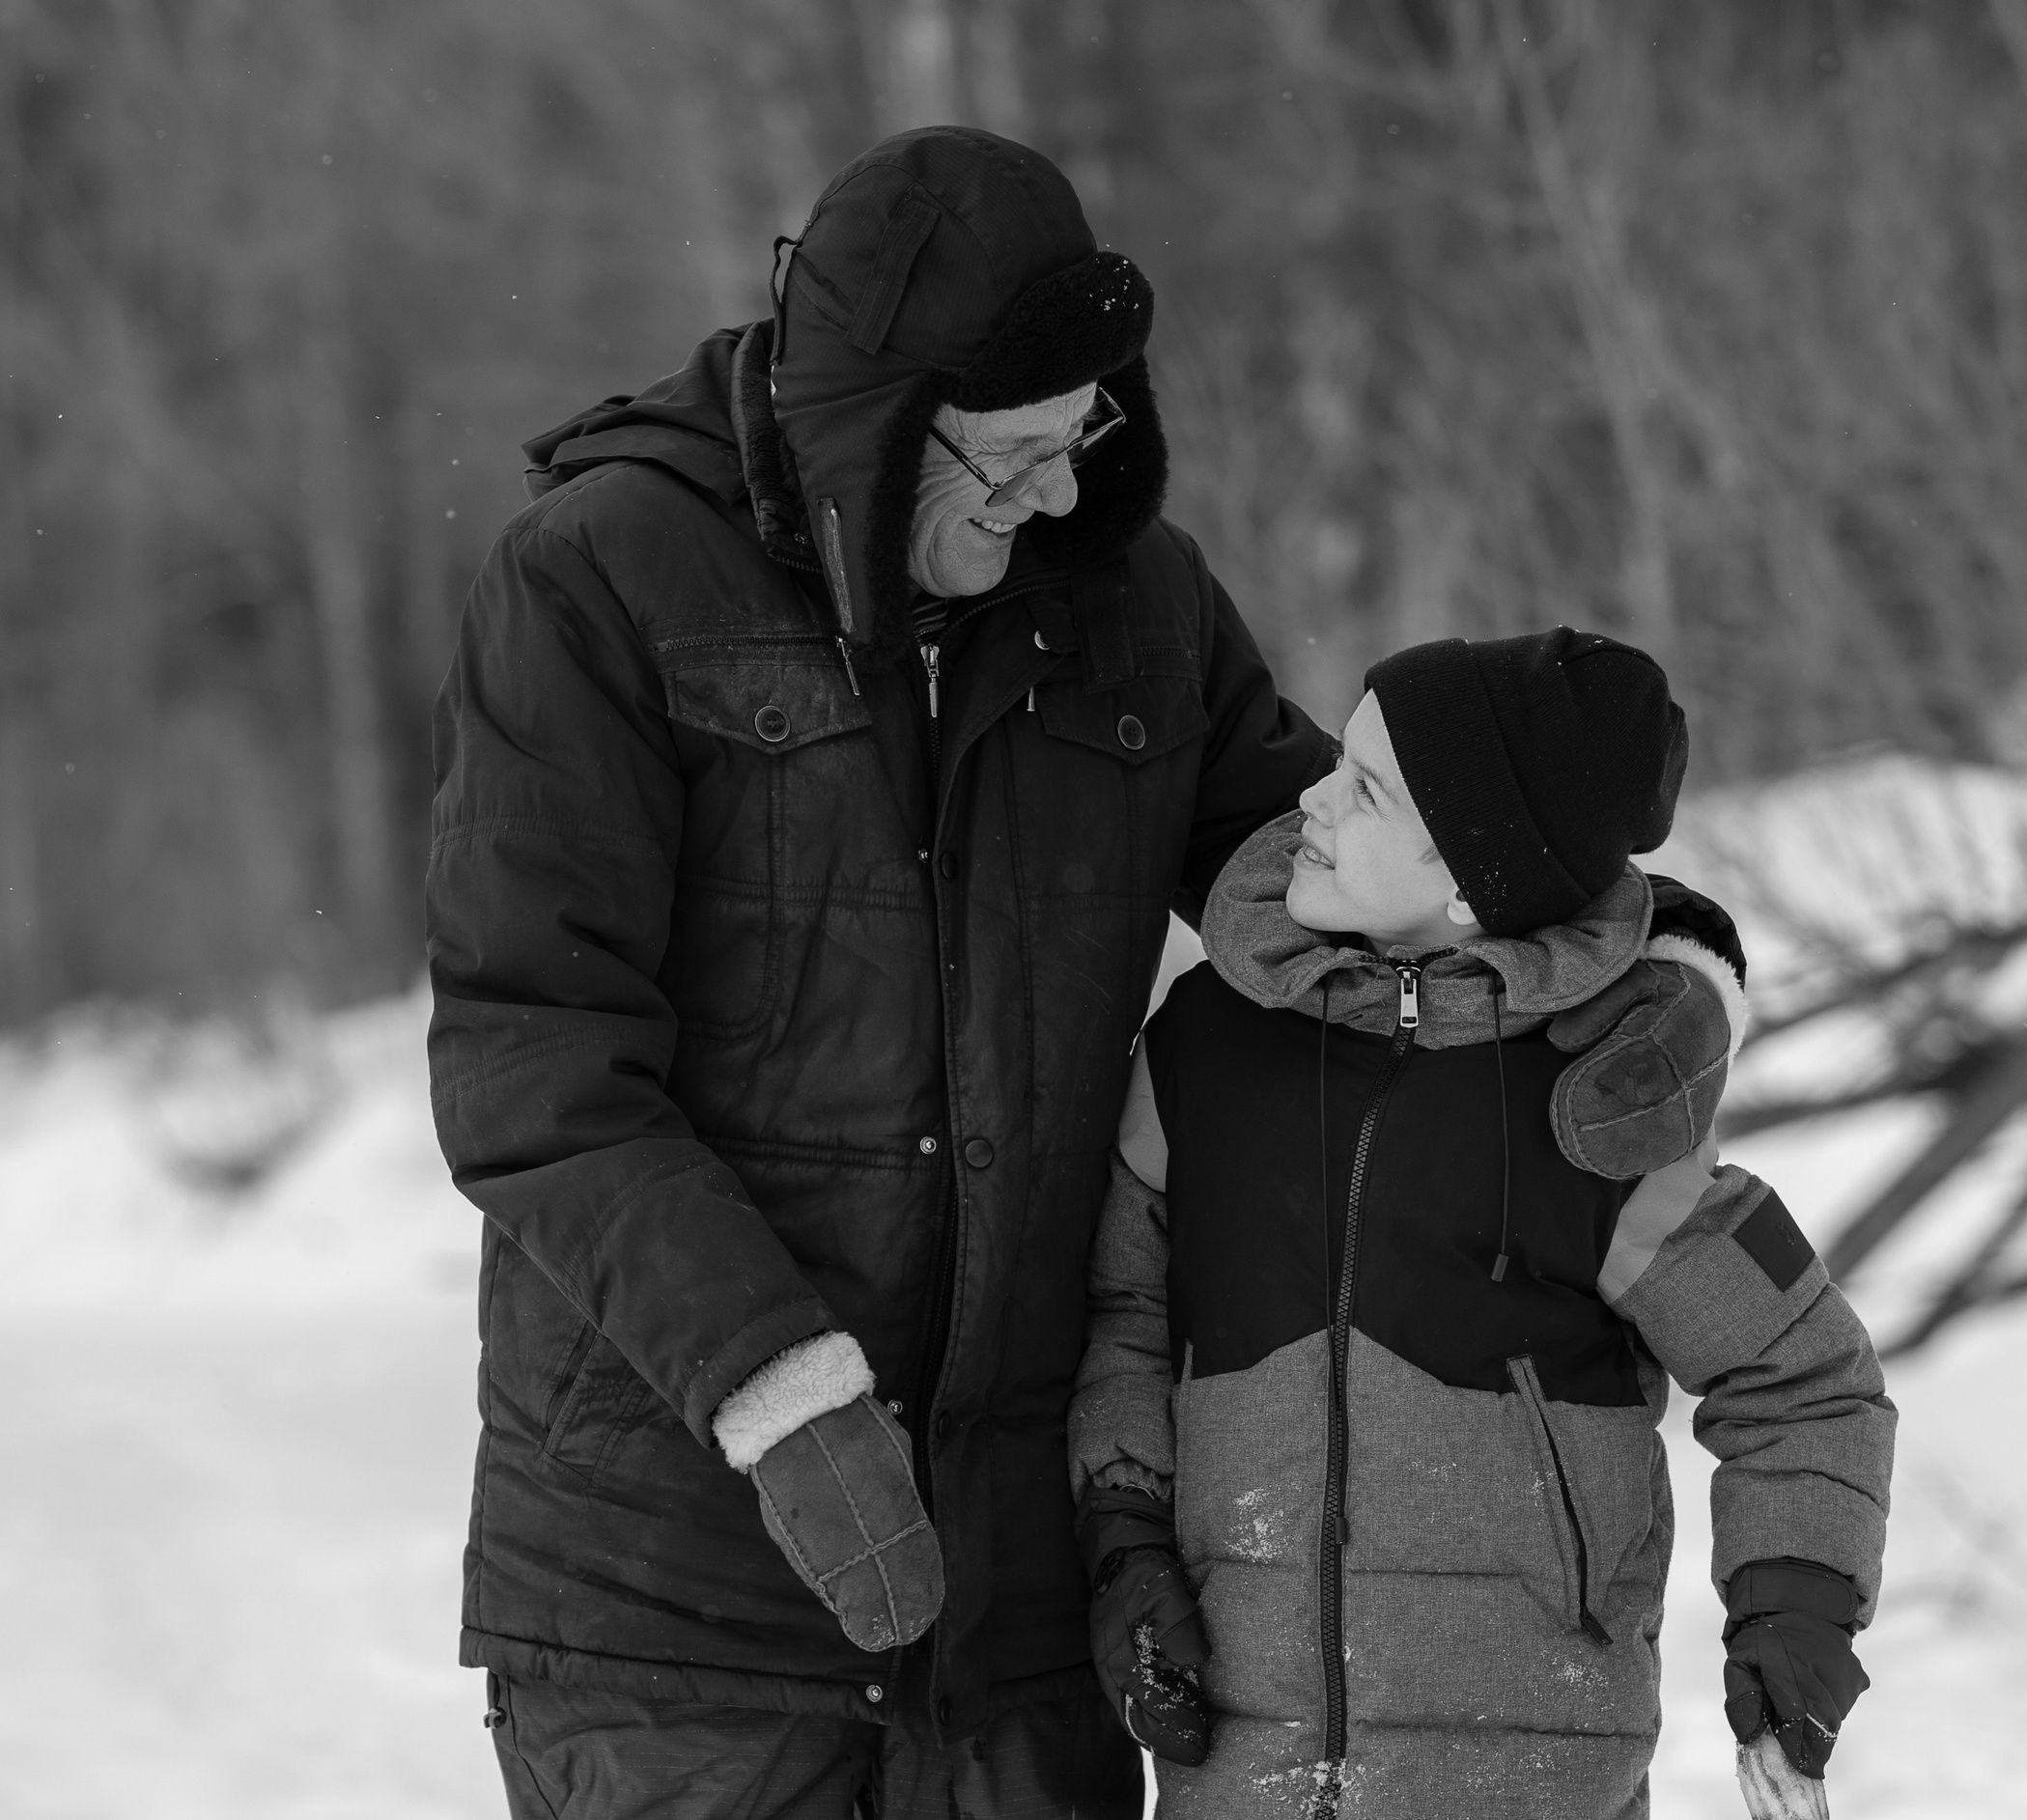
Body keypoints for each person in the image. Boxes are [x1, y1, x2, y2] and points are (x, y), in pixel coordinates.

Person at [426, 124, 1748, 1819]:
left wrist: (1661, 961)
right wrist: (777, 1390)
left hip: (1021, 1607)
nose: (1055, 495)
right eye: (1005, 460)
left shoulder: (1129, 614)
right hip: (677, 1603)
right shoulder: (598, 587)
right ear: (872, 430)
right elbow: (536, 1066)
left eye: (1082, 442)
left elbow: (1368, 873)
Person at [1070, 631, 1896, 1820]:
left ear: (1469, 882)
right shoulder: (1206, 1046)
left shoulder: (1599, 1101)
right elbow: (1124, 1312)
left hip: (1533, 1764)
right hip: (1242, 1758)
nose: (1309, 795)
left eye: (1362, 789)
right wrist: (1125, 1534)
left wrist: (1794, 1614)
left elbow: (1804, 1379)